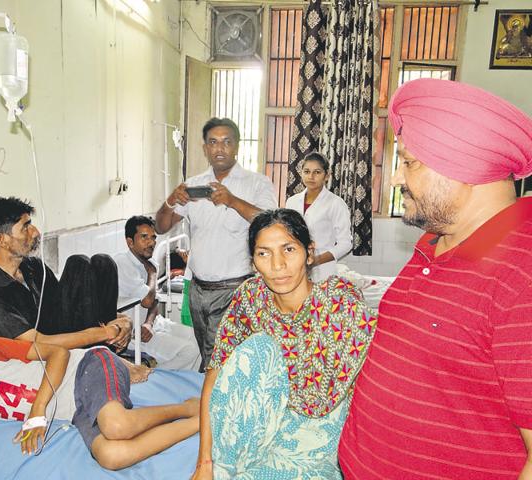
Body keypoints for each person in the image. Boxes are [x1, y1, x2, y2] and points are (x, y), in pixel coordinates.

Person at [338, 78, 532, 479]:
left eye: (409, 162)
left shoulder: (521, 275)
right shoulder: (437, 241)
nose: (395, 179)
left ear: (463, 166)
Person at [192, 209, 377, 480]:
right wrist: (204, 464)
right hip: (264, 418)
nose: (277, 265)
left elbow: (373, 379)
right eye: (264, 253)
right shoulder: (251, 297)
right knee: (259, 348)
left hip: (318, 427)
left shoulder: (339, 303)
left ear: (309, 253)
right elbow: (216, 372)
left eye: (289, 249)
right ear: (254, 262)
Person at [0, 334, 199, 470]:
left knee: (116, 425)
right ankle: (200, 420)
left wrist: (36, 413)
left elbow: (58, 353)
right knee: (111, 455)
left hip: (86, 368)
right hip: (77, 411)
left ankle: (185, 407)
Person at [156, 118, 277, 370]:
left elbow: (270, 223)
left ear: (237, 146)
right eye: (213, 142)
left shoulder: (256, 183)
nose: (219, 148)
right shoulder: (193, 185)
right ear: (205, 149)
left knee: (221, 363)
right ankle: (210, 401)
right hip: (198, 291)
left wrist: (233, 201)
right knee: (207, 354)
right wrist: (170, 200)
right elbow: (161, 226)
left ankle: (211, 406)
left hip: (234, 289)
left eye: (226, 142)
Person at [0, 195, 132, 351]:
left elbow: (74, 306)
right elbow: (37, 342)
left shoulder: (33, 267)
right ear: (2, 240)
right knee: (78, 263)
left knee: (103, 262)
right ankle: (102, 353)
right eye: (25, 227)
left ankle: (107, 349)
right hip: (31, 357)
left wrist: (121, 323)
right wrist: (106, 332)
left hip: (57, 339)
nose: (35, 232)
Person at [114, 215, 200, 370]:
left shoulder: (150, 263)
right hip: (134, 334)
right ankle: (152, 378)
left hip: (151, 325)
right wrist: (152, 274)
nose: (151, 243)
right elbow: (147, 300)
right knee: (189, 351)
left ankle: (183, 385)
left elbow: (155, 301)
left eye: (153, 238)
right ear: (130, 242)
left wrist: (149, 323)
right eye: (144, 237)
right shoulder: (123, 264)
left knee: (198, 338)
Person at [286, 152, 352, 281]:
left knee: (318, 300)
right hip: (294, 267)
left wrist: (316, 261)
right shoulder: (292, 202)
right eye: (306, 171)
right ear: (301, 173)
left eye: (317, 172)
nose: (311, 176)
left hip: (323, 270)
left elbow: (345, 244)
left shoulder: (336, 203)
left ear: (326, 175)